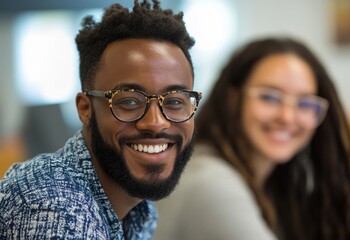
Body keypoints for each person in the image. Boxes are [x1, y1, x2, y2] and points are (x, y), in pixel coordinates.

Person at [0, 0, 202, 239]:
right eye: (128, 101)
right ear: (85, 109)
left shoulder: (138, 207)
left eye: (174, 101)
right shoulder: (56, 208)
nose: (156, 122)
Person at [154, 37, 350, 240]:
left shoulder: (278, 184)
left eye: (305, 103)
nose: (287, 117)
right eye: (269, 97)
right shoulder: (212, 183)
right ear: (232, 99)